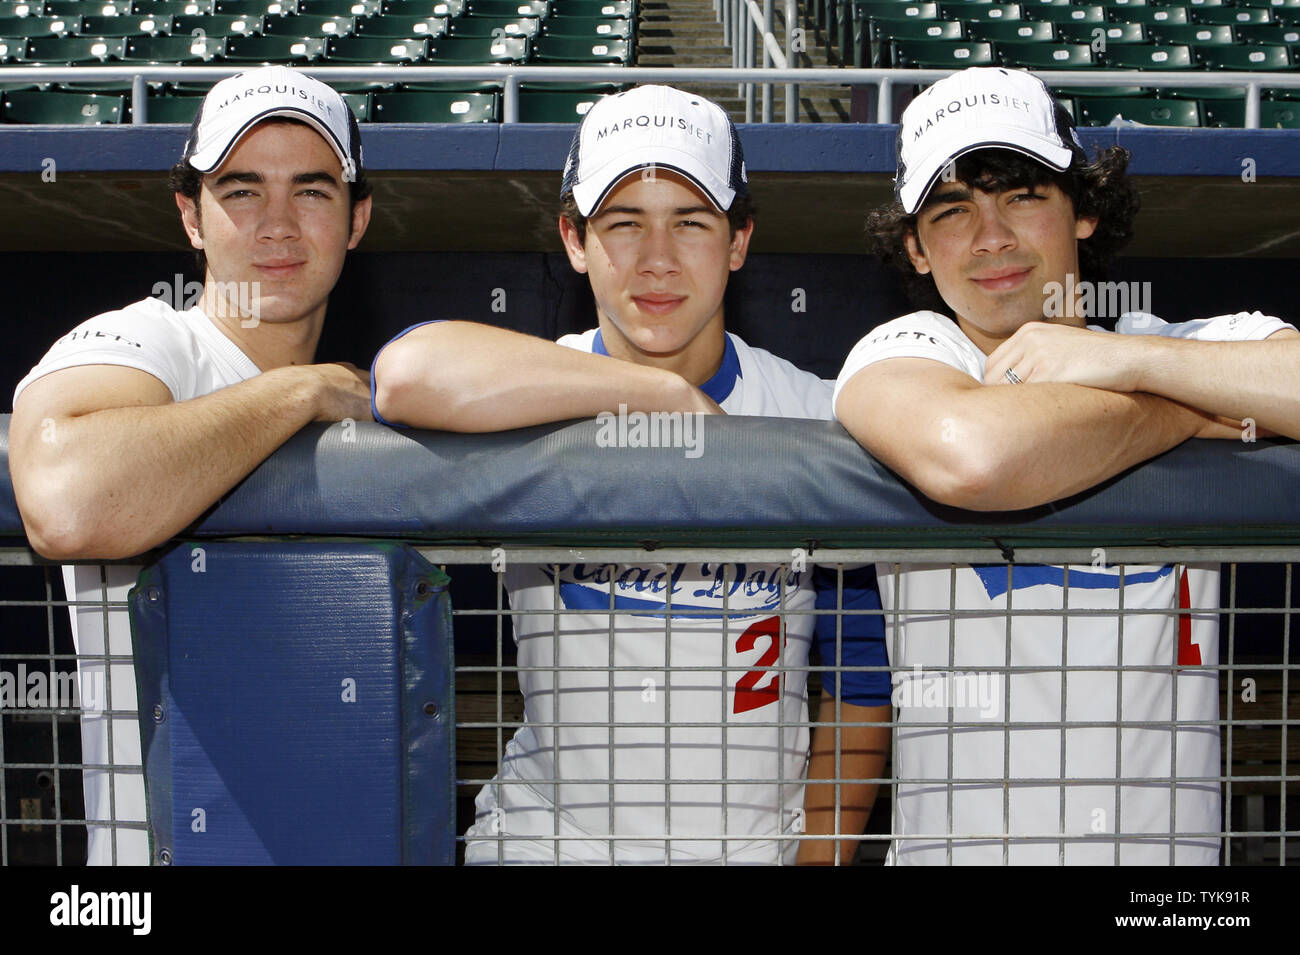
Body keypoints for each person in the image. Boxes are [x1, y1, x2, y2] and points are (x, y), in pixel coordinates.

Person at [372, 84, 892, 864]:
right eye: (623, 224)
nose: (657, 259)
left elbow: (860, 679)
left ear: (739, 239)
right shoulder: (532, 385)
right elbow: (406, 373)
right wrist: (658, 391)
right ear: (575, 240)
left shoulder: (811, 409)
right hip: (548, 844)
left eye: (691, 222)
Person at [828, 66, 1300, 864]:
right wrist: (1195, 407)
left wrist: (1130, 361)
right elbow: (973, 457)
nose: (991, 238)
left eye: (1021, 195)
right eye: (952, 210)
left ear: (1083, 209)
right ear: (915, 248)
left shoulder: (1166, 344)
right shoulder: (907, 350)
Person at [9, 65, 374, 865]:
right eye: (241, 191)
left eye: (311, 191)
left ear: (357, 220)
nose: (277, 224)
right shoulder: (155, 342)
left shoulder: (365, 397)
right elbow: (69, 500)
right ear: (191, 218)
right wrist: (299, 389)